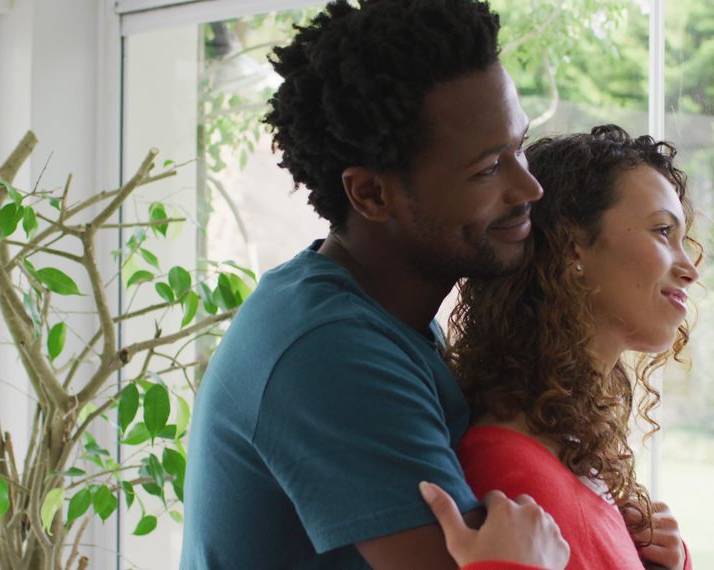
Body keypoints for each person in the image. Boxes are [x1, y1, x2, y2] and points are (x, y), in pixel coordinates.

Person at [179, 0, 569, 568]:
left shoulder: (382, 316)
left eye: (520, 147)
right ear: (371, 194)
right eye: (487, 169)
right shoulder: (331, 351)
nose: (528, 187)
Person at [445, 125, 701, 570]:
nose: (689, 270)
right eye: (662, 231)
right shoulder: (509, 471)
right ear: (570, 245)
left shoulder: (575, 454)